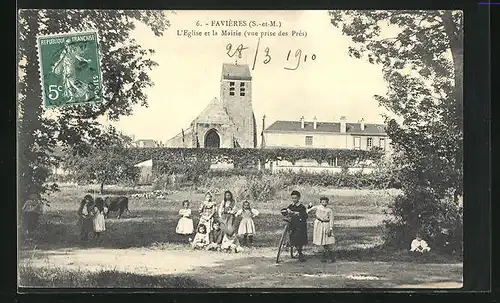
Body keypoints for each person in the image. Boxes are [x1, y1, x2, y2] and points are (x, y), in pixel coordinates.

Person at [307, 196, 336, 262]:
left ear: (327, 202)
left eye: (325, 202)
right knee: (322, 241)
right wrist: (309, 206)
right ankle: (324, 257)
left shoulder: (329, 210)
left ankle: (331, 257)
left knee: (327, 241)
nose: (324, 203)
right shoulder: (318, 207)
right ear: (320, 202)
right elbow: (309, 211)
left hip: (326, 225)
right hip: (319, 224)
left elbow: (331, 219)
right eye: (323, 202)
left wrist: (330, 228)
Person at [281, 190, 308, 262]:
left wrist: (297, 213)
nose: (294, 200)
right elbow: (286, 211)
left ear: (299, 198)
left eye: (295, 198)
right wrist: (285, 211)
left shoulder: (302, 207)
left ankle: (300, 252)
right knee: (292, 236)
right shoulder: (291, 206)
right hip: (292, 224)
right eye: (292, 198)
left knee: (299, 239)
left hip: (300, 225)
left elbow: (305, 215)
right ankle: (295, 248)